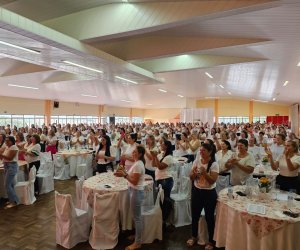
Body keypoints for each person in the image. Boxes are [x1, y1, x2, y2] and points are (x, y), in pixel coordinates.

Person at [187, 143, 219, 250]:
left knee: (209, 217)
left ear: (210, 152)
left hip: (209, 193)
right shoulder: (197, 161)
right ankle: (194, 236)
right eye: (200, 150)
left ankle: (211, 241)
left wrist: (205, 173)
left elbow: (212, 181)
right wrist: (195, 174)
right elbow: (191, 177)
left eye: (203, 150)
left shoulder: (214, 164)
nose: (201, 152)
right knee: (195, 216)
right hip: (197, 191)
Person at [114, 145, 146, 250]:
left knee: (137, 218)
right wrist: (124, 173)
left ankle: (138, 242)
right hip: (135, 191)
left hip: (136, 192)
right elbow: (132, 177)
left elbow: (135, 181)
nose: (133, 153)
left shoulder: (138, 165)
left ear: (140, 154)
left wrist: (124, 175)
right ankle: (137, 236)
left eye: (135, 152)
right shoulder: (137, 163)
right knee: (136, 217)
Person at [150, 139, 174, 229]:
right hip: (160, 179)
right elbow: (153, 164)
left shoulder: (169, 157)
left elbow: (160, 167)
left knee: (165, 201)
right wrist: (154, 157)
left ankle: (164, 221)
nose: (160, 145)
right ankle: (161, 220)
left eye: (162, 143)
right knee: (160, 200)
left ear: (166, 146)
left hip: (166, 180)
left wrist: (155, 156)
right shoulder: (161, 154)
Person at [0, 136, 19, 209]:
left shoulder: (14, 147)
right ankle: (13, 199)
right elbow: (4, 157)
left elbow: (10, 158)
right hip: (7, 165)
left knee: (7, 185)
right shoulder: (8, 147)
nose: (6, 142)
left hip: (11, 166)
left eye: (8, 141)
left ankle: (14, 201)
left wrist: (1, 154)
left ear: (12, 141)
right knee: (10, 185)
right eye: (6, 141)